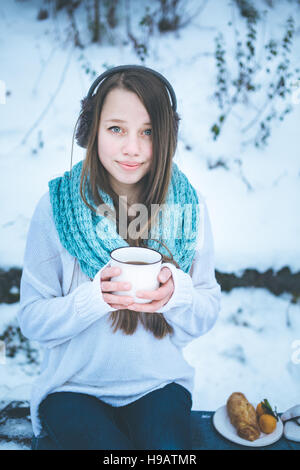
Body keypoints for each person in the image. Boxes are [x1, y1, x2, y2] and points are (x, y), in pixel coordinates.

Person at [18, 65, 221, 450]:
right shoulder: (55, 208)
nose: (132, 147)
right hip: (72, 390)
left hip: (159, 385)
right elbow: (31, 320)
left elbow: (208, 307)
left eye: (148, 132)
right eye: (116, 129)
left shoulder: (189, 208)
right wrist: (93, 300)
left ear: (166, 137)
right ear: (90, 131)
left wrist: (178, 296)